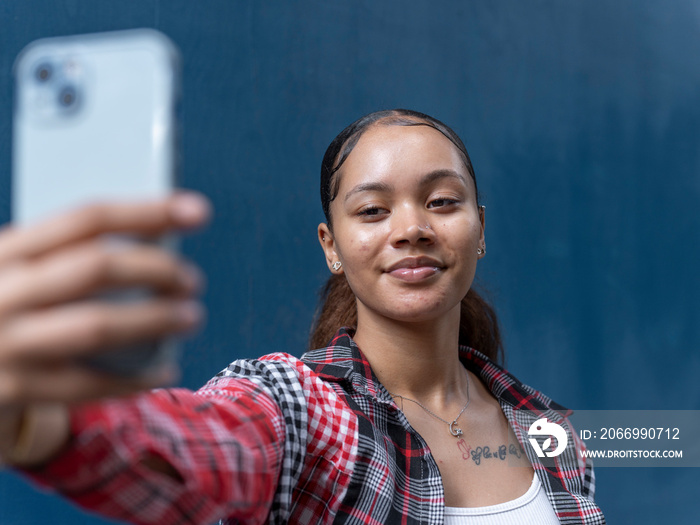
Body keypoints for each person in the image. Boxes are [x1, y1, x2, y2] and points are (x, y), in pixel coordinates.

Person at [0, 109, 605, 524]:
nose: (412, 229)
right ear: (331, 247)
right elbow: (205, 446)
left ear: (480, 230)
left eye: (442, 201)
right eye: (372, 210)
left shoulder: (551, 433)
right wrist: (43, 420)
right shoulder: (305, 410)